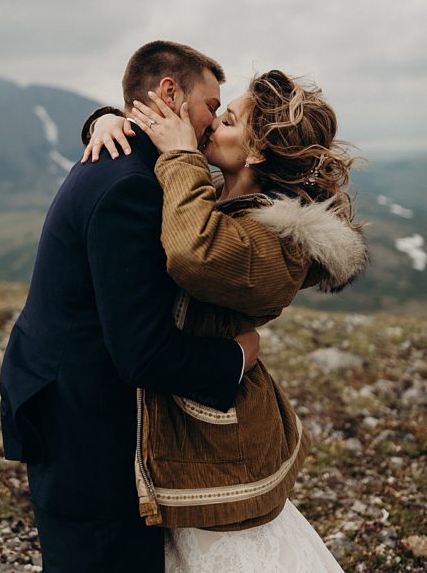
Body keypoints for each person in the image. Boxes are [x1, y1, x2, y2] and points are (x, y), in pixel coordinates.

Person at [83, 69, 366, 572]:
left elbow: (195, 253)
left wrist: (180, 155)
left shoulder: (278, 245)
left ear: (256, 153)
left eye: (229, 120)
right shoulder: (218, 195)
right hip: (186, 420)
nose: (212, 125)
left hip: (219, 439)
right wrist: (108, 122)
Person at [0, 41, 262, 571]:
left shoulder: (133, 160)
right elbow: (140, 351)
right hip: (84, 425)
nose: (214, 122)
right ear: (170, 93)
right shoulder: (133, 186)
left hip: (67, 400)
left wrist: (104, 119)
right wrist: (235, 358)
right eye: (212, 105)